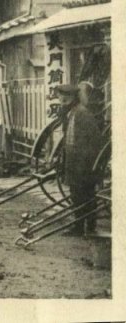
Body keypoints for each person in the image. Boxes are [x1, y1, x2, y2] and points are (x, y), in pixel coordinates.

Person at [57, 83, 104, 236]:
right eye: (61, 96)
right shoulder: (71, 113)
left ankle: (88, 227)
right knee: (77, 195)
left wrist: (85, 165)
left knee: (86, 195)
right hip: (74, 161)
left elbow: (91, 142)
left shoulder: (82, 114)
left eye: (67, 97)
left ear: (74, 98)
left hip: (84, 163)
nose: (63, 99)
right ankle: (80, 226)